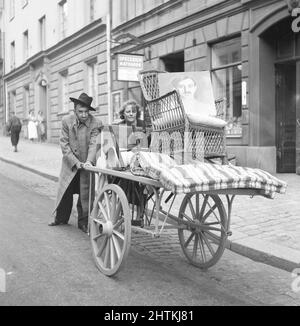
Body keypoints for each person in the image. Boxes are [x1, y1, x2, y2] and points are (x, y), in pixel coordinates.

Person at [49, 93, 103, 233]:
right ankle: (60, 217)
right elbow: (64, 145)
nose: (84, 115)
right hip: (70, 164)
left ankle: (83, 222)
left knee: (85, 194)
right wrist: (75, 162)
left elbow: (94, 144)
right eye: (81, 112)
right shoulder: (66, 121)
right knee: (65, 191)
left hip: (86, 165)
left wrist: (89, 162)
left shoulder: (95, 123)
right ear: (75, 110)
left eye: (86, 112)